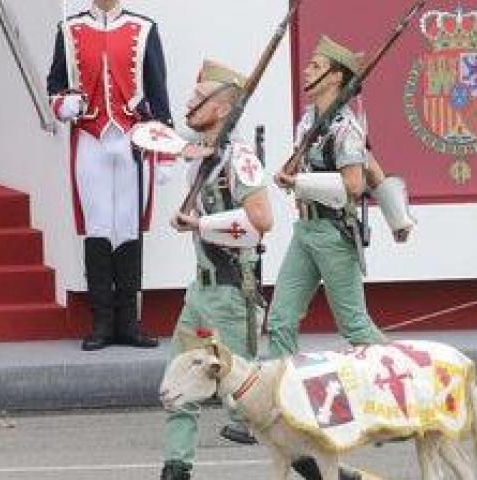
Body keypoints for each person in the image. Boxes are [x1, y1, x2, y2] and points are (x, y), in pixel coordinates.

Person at [159, 59, 273, 479]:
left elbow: (262, 219)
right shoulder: (206, 153)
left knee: (251, 402)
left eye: (199, 97)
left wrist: (200, 224)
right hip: (201, 291)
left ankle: (315, 462)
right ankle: (176, 468)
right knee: (178, 384)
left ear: (223, 108)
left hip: (229, 291)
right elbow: (156, 138)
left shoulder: (239, 158)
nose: (189, 104)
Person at [47, 0, 172, 350]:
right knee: (98, 225)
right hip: (90, 138)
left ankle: (129, 322)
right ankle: (101, 322)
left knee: (129, 225)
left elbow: (158, 91)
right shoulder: (69, 30)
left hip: (133, 137)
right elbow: (55, 84)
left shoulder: (143, 28)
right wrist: (63, 104)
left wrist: (164, 151)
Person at [271, 35, 387, 358]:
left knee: (355, 326)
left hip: (333, 232)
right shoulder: (310, 119)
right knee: (280, 319)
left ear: (335, 77)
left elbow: (354, 184)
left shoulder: (346, 127)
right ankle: (282, 385)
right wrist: (291, 175)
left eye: (316, 66)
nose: (307, 70)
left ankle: (403, 373)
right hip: (305, 229)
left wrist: (299, 182)